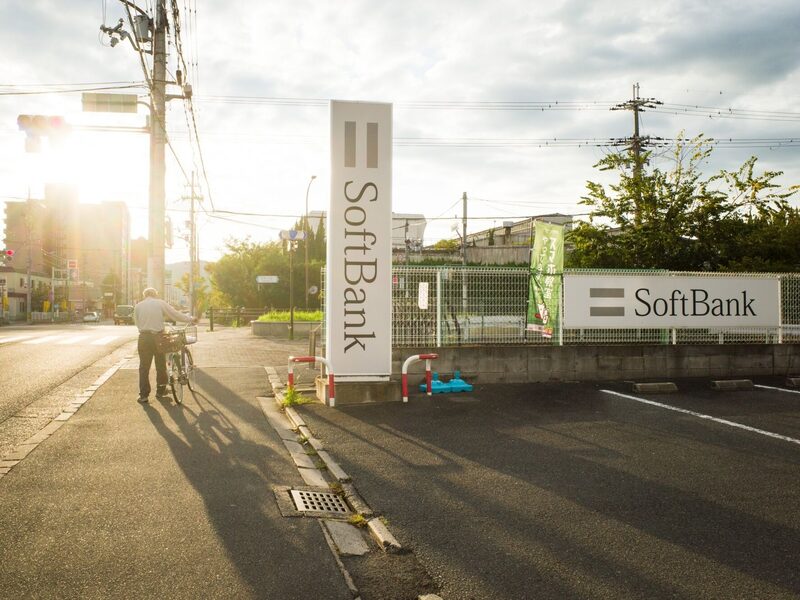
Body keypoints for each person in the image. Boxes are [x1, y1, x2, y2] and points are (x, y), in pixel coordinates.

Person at [134, 288, 198, 404]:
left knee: (143, 367)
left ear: (145, 295)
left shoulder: (138, 306)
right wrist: (191, 319)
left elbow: (137, 323)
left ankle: (143, 396)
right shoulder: (160, 303)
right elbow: (175, 315)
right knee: (160, 364)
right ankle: (160, 390)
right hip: (158, 337)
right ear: (155, 295)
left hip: (143, 337)